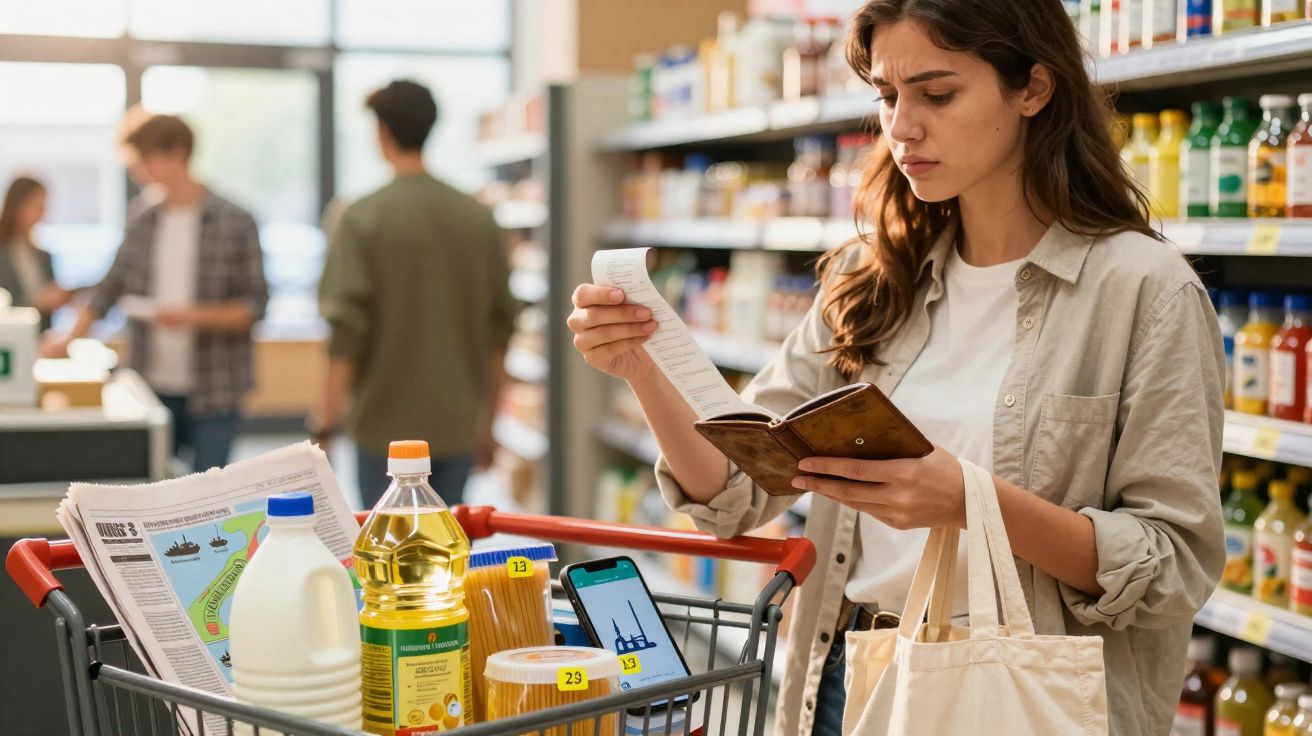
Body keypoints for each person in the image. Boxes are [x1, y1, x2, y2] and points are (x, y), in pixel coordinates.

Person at [566, 1, 1224, 735]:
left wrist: (970, 502)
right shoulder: (872, 278)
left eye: (937, 94)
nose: (903, 126)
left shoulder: (1145, 291)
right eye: (887, 96)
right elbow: (733, 492)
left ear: (1033, 89)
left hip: (1020, 695)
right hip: (848, 675)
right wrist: (643, 366)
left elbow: (1173, 566)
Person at [314, 79, 518, 509]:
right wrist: (490, 423)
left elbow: (345, 333)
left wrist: (325, 423)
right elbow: (500, 329)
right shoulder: (479, 219)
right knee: (449, 553)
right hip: (457, 422)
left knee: (387, 553)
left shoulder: (360, 217)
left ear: (383, 132)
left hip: (382, 430)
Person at [43, 114, 268, 473]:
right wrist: (66, 339)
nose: (139, 173)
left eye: (145, 161)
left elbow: (255, 306)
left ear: (177, 154)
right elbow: (110, 287)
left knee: (210, 495)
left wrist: (191, 316)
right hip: (151, 384)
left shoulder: (236, 220)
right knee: (154, 493)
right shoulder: (142, 218)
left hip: (216, 386)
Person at [0, 176, 72, 330]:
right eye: (36, 206)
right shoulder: (3, 254)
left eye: (43, 207)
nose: (41, 214)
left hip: (41, 337)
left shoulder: (44, 256)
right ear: (17, 205)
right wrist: (35, 303)